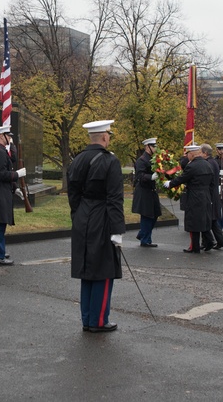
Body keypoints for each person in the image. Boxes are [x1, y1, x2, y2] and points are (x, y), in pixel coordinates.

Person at [68, 120, 124, 332]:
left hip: (83, 215)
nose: (109, 137)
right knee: (103, 270)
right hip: (102, 216)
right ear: (104, 137)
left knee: (88, 270)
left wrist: (78, 215)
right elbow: (115, 198)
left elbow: (73, 195)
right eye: (109, 134)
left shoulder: (77, 160)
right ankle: (99, 320)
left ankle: (87, 319)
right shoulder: (110, 161)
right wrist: (117, 230)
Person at [0, 124, 26, 265]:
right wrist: (17, 175)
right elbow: (2, 174)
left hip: (0, 188)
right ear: (1, 136)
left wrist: (14, 188)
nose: (10, 138)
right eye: (8, 136)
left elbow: (10, 161)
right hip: (0, 189)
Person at [165, 144, 215, 253]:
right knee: (203, 220)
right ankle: (209, 241)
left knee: (193, 221)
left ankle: (195, 247)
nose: (187, 156)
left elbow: (182, 178)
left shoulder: (192, 166)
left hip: (194, 196)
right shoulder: (207, 164)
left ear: (191, 154)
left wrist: (169, 183)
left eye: (187, 154)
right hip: (206, 195)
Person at [132, 137, 161, 247]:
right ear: (147, 147)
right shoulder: (142, 160)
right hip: (144, 191)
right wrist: (151, 177)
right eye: (153, 146)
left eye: (155, 146)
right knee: (147, 215)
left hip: (151, 190)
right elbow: (140, 176)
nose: (155, 148)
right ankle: (145, 240)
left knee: (155, 214)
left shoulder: (153, 159)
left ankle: (142, 234)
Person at [201, 144, 223, 249]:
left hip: (209, 195)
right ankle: (220, 241)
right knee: (213, 221)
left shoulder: (207, 163)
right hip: (214, 194)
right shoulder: (214, 162)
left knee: (206, 220)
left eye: (200, 152)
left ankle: (208, 242)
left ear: (205, 153)